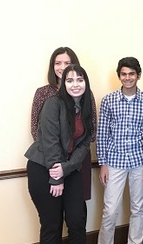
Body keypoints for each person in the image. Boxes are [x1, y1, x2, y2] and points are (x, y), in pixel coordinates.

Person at [25, 64, 94, 244]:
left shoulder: (85, 105)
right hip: (43, 169)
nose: (76, 84)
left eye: (80, 79)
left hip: (68, 169)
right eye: (70, 80)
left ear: (86, 82)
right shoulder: (53, 104)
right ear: (63, 83)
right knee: (52, 224)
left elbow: (85, 143)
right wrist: (57, 178)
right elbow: (50, 141)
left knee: (77, 220)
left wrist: (68, 168)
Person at [90, 57, 143, 244]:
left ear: (138, 75)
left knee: (138, 208)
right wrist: (103, 163)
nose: (127, 78)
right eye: (124, 74)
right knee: (110, 209)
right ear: (119, 76)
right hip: (114, 162)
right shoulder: (108, 100)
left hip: (139, 160)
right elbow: (102, 134)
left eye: (131, 74)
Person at [31, 47, 97, 201]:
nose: (62, 67)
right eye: (58, 63)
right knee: (53, 211)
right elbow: (36, 129)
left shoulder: (86, 93)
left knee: (77, 211)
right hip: (49, 160)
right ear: (52, 66)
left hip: (77, 160)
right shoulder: (43, 93)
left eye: (67, 63)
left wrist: (70, 163)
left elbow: (91, 130)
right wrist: (57, 165)